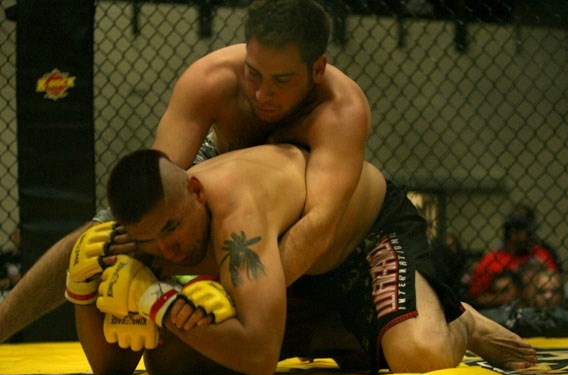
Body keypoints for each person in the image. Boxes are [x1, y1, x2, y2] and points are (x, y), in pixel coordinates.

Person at [0, 0, 371, 343]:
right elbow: (159, 187)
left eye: (282, 81)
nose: (261, 94)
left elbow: (320, 225)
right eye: (254, 74)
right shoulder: (211, 79)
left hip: (295, 194)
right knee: (110, 232)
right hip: (219, 173)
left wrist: (234, 297)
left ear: (318, 69)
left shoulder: (342, 110)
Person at [70, 145, 537, 375]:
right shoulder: (146, 237)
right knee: (170, 363)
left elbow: (257, 357)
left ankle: (461, 320)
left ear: (196, 192)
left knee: (419, 356)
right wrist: (84, 293)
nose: (168, 252)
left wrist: (158, 301)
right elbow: (111, 371)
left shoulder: (238, 220)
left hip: (363, 236)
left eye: (173, 230)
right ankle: (343, 333)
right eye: (151, 243)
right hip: (293, 278)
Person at [468, 214, 559, 309]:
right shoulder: (491, 260)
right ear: (513, 234)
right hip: (499, 311)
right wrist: (503, 298)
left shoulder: (539, 254)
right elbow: (475, 296)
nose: (531, 237)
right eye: (527, 233)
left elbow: (555, 283)